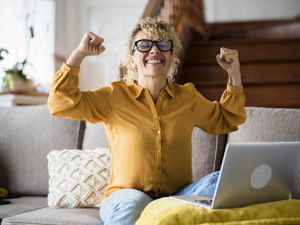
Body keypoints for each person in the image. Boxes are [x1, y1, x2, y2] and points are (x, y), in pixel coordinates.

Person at [48, 17, 247, 224]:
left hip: (174, 197)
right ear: (132, 59)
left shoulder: (187, 98)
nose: (154, 50)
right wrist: (79, 54)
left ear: (171, 57)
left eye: (163, 44)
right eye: (144, 45)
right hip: (125, 196)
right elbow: (59, 103)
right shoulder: (113, 96)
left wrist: (234, 75)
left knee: (219, 181)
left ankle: (167, 214)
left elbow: (227, 119)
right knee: (135, 203)